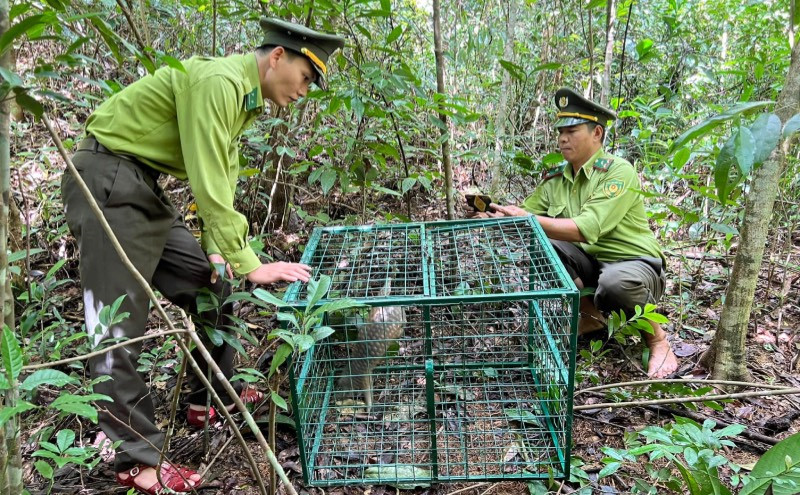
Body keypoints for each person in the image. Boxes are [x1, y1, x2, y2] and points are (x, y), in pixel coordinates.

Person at [61, 18, 344, 494]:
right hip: (107, 181)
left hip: (142, 188)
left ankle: (206, 399)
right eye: (307, 76)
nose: (306, 91)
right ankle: (137, 461)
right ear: (278, 57)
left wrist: (221, 252)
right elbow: (208, 178)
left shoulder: (242, 98)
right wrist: (251, 261)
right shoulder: (219, 82)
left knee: (214, 286)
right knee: (113, 328)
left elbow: (223, 179)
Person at [477, 87, 678, 379]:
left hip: (633, 265)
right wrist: (489, 213)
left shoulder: (618, 172)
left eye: (572, 131)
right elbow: (523, 218)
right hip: (590, 263)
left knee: (615, 285)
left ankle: (657, 339)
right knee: (541, 237)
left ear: (597, 133)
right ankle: (590, 315)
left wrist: (528, 217)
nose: (562, 138)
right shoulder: (556, 179)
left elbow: (586, 228)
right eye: (560, 131)